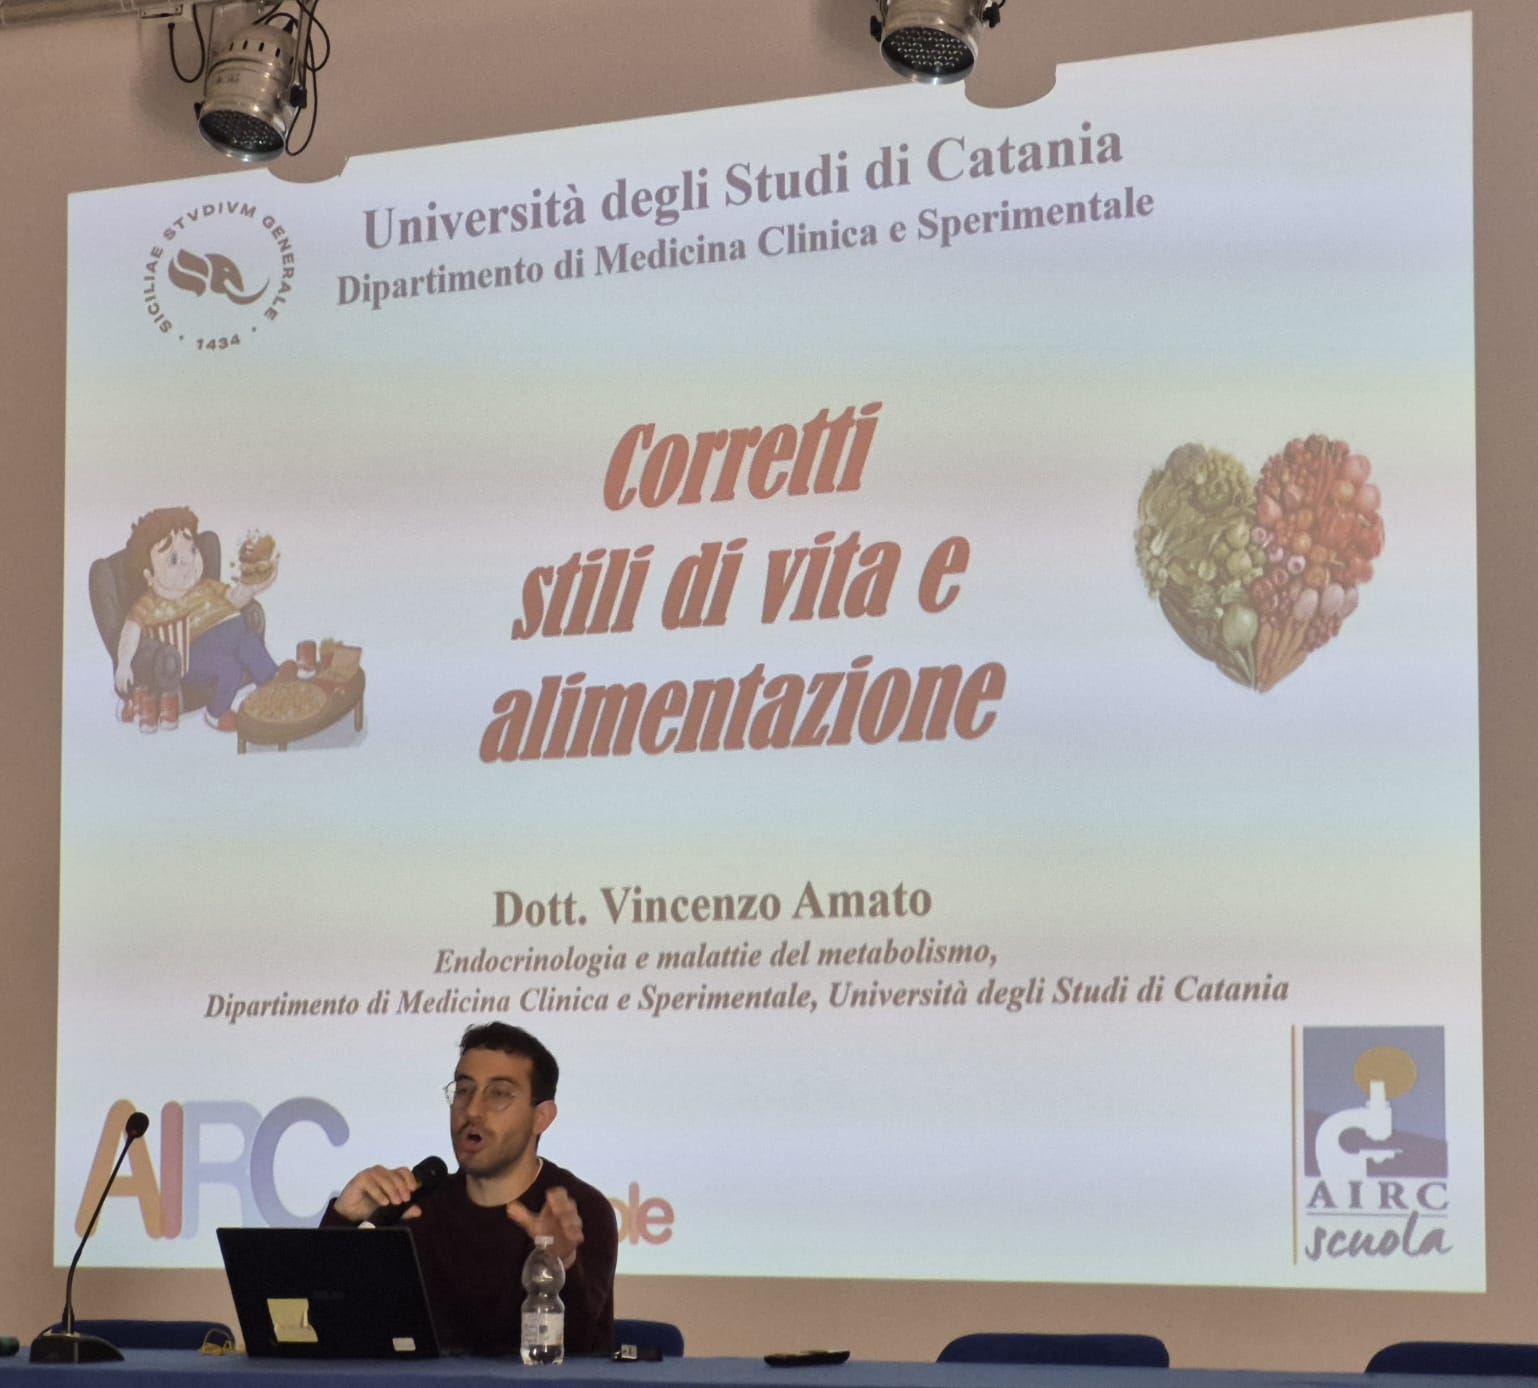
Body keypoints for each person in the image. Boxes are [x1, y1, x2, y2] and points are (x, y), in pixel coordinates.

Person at [322, 1023, 617, 1357]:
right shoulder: (418, 1210)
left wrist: (562, 1262)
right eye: (463, 1090)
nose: (473, 1110)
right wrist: (344, 1220)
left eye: (499, 1094)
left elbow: (578, 1352)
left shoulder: (579, 1211)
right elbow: (329, 1325)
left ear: (541, 1117)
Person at [114, 507, 283, 731]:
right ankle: (216, 713)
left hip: (234, 639)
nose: (188, 562)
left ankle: (273, 685)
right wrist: (124, 663)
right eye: (173, 559)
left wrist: (254, 587)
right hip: (193, 654)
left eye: (192, 550)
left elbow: (235, 598)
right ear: (149, 576)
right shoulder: (149, 603)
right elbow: (130, 630)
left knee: (250, 643)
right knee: (229, 668)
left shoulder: (206, 586)